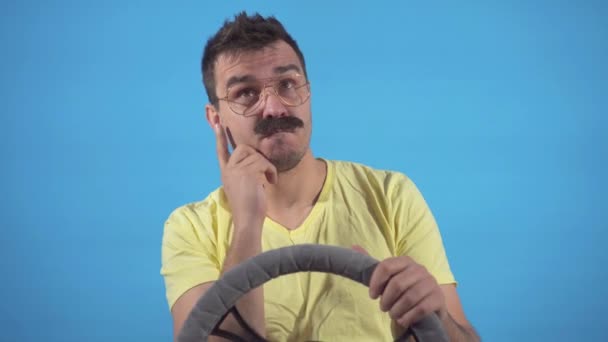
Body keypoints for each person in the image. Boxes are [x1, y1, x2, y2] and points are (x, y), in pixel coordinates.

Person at [161, 12, 480, 342]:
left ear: (308, 92)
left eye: (287, 84)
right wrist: (246, 224)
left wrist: (436, 314)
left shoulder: (391, 195)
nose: (274, 108)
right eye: (246, 93)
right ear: (216, 119)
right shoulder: (189, 228)